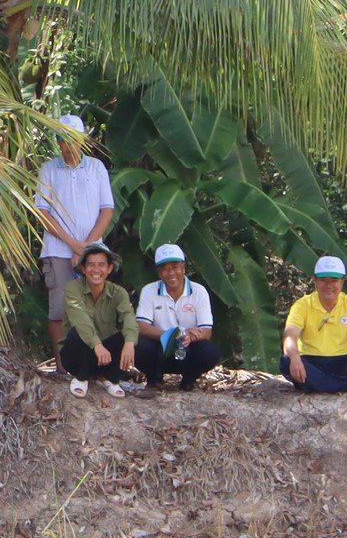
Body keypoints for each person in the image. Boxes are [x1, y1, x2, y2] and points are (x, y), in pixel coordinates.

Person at [34, 114, 116, 353]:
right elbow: (42, 213)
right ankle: (62, 366)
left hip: (94, 252)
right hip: (58, 250)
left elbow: (106, 210)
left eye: (73, 138)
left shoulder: (97, 168)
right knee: (60, 310)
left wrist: (86, 248)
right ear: (57, 141)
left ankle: (93, 363)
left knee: (95, 309)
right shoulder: (48, 169)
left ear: (82, 140)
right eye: (63, 138)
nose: (68, 144)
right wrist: (73, 245)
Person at [282, 255, 347, 393]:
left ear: (342, 281)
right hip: (311, 360)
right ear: (315, 280)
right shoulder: (302, 305)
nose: (328, 285)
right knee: (286, 361)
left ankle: (319, 384)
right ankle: (342, 385)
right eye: (323, 280)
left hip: (344, 361)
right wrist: (295, 359)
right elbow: (289, 336)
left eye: (334, 280)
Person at [135, 242, 220, 390]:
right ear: (159, 272)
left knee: (209, 351)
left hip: (187, 349)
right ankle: (154, 379)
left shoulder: (199, 291)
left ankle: (189, 381)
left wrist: (189, 337)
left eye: (175, 267)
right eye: (165, 269)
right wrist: (172, 335)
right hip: (160, 348)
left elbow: (206, 331)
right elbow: (141, 326)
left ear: (183, 267)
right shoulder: (149, 290)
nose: (170, 273)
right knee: (137, 344)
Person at [59, 243, 141, 398]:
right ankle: (81, 377)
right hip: (77, 356)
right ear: (83, 269)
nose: (96, 270)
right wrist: (97, 345)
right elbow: (80, 319)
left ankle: (108, 378)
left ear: (109, 268)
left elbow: (128, 317)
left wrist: (130, 343)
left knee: (128, 336)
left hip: (105, 358)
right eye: (91, 265)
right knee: (77, 333)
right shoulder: (73, 289)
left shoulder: (119, 292)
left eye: (101, 265)